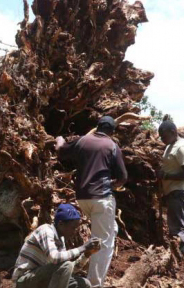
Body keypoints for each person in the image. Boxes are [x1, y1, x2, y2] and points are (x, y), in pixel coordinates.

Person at [55, 116, 128, 288]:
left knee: (111, 230)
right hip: (101, 198)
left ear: (97, 127)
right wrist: (114, 184)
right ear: (112, 132)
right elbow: (123, 177)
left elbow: (61, 149)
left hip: (82, 198)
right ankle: (94, 284)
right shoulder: (112, 146)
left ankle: (88, 266)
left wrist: (59, 138)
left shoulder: (82, 141)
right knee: (104, 242)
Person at [12, 204, 100, 288]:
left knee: (84, 284)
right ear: (61, 224)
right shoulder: (46, 230)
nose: (75, 231)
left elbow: (67, 271)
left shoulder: (61, 240)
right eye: (73, 227)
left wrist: (86, 254)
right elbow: (54, 258)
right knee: (66, 265)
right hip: (23, 281)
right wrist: (83, 248)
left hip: (40, 280)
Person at [157, 120, 184, 260]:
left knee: (179, 229)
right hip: (173, 192)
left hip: (180, 192)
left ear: (173, 132)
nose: (162, 139)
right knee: (177, 227)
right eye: (160, 137)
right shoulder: (170, 146)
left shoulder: (182, 147)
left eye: (164, 136)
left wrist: (166, 176)